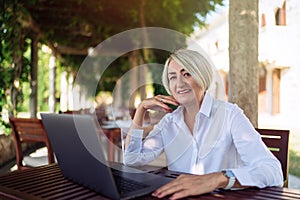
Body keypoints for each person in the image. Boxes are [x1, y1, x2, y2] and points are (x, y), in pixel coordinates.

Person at [123, 49, 283, 199]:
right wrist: (141, 110)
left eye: (187, 74)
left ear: (202, 76)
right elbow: (131, 159)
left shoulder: (230, 115)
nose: (179, 83)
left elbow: (272, 171)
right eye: (172, 77)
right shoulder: (169, 122)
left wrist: (218, 178)